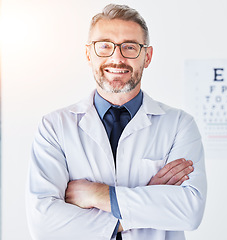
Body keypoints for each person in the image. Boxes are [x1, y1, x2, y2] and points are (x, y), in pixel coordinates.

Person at [25, 4, 207, 240]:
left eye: (129, 47)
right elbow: (43, 224)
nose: (117, 58)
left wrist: (97, 195)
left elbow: (189, 211)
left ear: (147, 56)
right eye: (105, 46)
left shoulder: (179, 125)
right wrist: (145, 202)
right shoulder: (55, 127)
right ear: (89, 54)